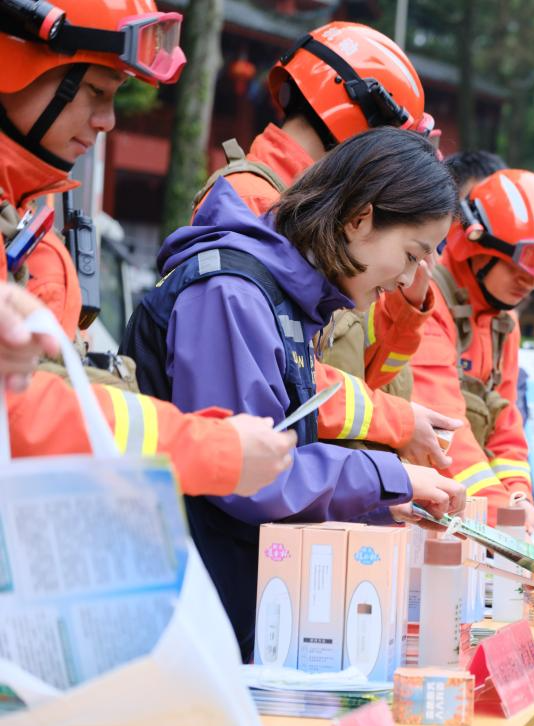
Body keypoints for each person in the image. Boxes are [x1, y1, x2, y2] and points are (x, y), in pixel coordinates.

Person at [121, 127, 466, 657]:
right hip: (184, 627)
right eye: (412, 254)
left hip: (221, 611)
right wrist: (388, 478)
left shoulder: (285, 299)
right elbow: (247, 476)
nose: (408, 279)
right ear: (360, 219)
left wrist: (382, 503)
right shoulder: (231, 295)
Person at [0, 0, 294, 498]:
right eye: (96, 91)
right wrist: (214, 450)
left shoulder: (27, 222)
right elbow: (18, 414)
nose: (108, 120)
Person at [194, 21, 457, 469]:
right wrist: (396, 423)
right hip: (289, 477)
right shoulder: (253, 203)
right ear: (362, 124)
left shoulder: (336, 219)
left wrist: (405, 310)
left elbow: (362, 368)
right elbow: (283, 376)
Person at [410, 169, 534, 528]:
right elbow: (444, 430)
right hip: (420, 504)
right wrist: (502, 518)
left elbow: (506, 424)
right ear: (475, 242)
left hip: (468, 509)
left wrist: (519, 498)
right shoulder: (424, 301)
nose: (531, 282)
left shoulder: (504, 322)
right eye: (520, 268)